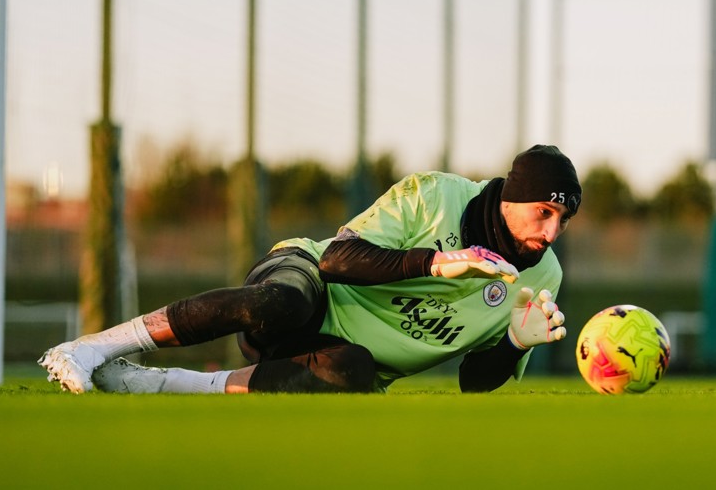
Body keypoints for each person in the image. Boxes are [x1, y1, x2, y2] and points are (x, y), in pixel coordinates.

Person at [39, 144, 582, 394]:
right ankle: (92, 348)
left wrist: (514, 345)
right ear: (512, 197)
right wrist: (438, 263)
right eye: (544, 212)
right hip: (308, 283)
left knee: (356, 374)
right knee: (284, 300)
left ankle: (149, 384)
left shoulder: (543, 278)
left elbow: (472, 382)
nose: (552, 232)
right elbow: (337, 259)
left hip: (329, 357)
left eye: (563, 219)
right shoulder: (436, 194)